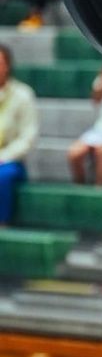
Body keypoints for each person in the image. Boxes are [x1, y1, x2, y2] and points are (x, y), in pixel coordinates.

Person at [0, 44, 38, 225]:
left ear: (8, 65)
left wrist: (3, 156)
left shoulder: (23, 95)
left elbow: (28, 138)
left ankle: (2, 223)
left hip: (10, 161)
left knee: (3, 176)